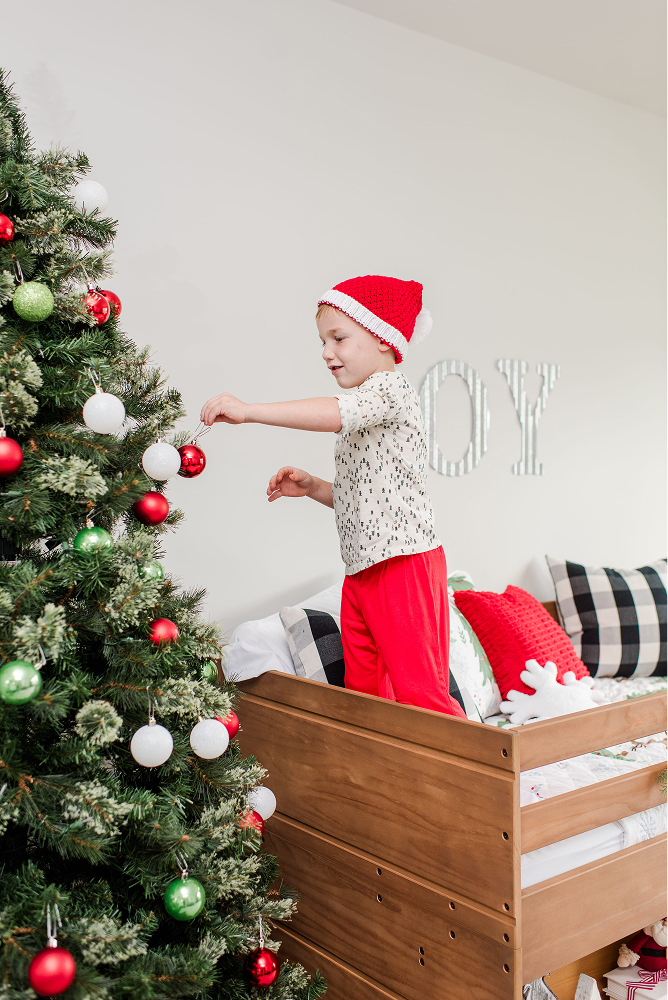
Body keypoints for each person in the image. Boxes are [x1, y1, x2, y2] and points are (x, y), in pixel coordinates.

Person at [200, 274, 465, 718]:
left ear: (383, 339)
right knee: (363, 695)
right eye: (323, 340)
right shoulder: (368, 403)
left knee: (422, 693)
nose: (327, 352)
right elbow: (365, 499)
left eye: (339, 338)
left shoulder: (388, 390)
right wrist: (314, 488)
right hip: (361, 571)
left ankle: (469, 786)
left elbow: (333, 412)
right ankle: (380, 780)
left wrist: (250, 412)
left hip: (402, 564)